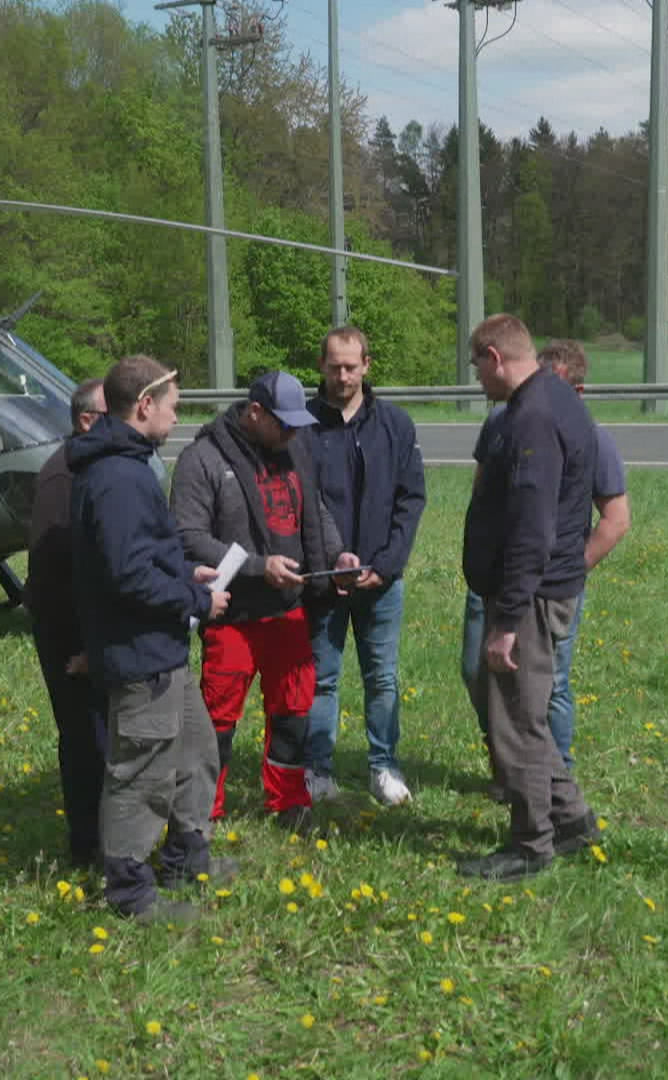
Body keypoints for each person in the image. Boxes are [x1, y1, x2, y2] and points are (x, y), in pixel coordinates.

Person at [69, 355, 231, 922]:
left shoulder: (130, 465)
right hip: (140, 653)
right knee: (141, 771)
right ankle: (130, 891)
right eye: (173, 407)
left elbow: (141, 556)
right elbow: (127, 575)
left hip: (162, 649)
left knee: (194, 750)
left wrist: (186, 574)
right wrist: (197, 601)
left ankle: (188, 855)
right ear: (144, 406)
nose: (176, 417)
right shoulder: (118, 476)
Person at [171, 369, 359, 831]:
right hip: (232, 613)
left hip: (288, 611)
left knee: (294, 711)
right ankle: (205, 812)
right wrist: (259, 565)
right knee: (218, 718)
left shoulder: (294, 450)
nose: (293, 432)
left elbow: (315, 512)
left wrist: (338, 554)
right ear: (255, 413)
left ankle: (288, 803)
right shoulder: (203, 459)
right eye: (284, 423)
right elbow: (187, 535)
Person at [459, 315, 599, 881]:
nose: (477, 378)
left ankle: (530, 842)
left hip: (533, 597)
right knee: (528, 714)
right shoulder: (556, 400)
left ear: (495, 356)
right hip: (545, 589)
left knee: (514, 718)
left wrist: (507, 620)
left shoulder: (533, 418)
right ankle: (572, 820)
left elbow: (533, 530)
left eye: (477, 365)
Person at [461, 340, 630, 775]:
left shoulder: (592, 437)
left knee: (547, 685)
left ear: (577, 393)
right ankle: (508, 767)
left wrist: (564, 571)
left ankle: (557, 779)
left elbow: (615, 520)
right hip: (496, 579)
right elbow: (482, 495)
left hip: (548, 588)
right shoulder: (501, 422)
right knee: (477, 671)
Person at [303, 327, 428, 806]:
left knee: (382, 677)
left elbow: (410, 499)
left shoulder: (396, 425)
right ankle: (317, 771)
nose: (342, 375)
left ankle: (383, 766)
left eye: (351, 366)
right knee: (322, 679)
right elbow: (302, 503)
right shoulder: (304, 425)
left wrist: (390, 564)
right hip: (324, 580)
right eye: (334, 366)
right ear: (322, 366)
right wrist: (327, 562)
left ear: (367, 366)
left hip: (381, 580)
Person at [25, 377, 109, 868]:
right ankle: (88, 847)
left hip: (92, 632)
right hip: (70, 636)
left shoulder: (94, 469)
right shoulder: (64, 478)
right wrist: (81, 649)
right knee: (84, 741)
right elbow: (53, 571)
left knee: (103, 739)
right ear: (86, 421)